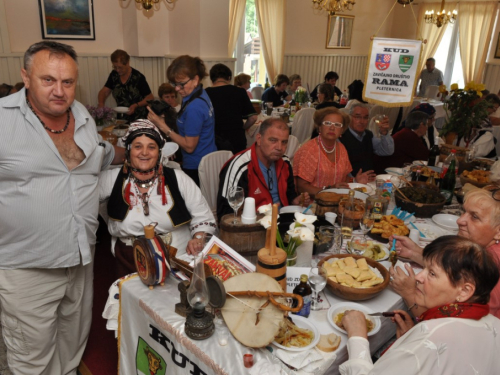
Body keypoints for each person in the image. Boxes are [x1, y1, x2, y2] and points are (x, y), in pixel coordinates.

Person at [0, 41, 124, 374]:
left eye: (67, 82)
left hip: (80, 262)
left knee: (72, 349)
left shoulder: (82, 116)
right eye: (48, 80)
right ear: (26, 77)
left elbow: (100, 155)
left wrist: (141, 149)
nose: (59, 91)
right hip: (27, 268)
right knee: (32, 362)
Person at [339, 236, 500, 375]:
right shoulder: (495, 324)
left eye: (432, 273)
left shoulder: (429, 337)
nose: (418, 277)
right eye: (424, 268)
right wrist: (410, 340)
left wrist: (357, 337)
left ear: (464, 291)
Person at [99, 120, 217, 276]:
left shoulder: (179, 178)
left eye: (151, 147)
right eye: (138, 146)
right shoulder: (111, 179)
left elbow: (203, 218)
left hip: (177, 256)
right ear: (128, 151)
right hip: (130, 257)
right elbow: (82, 204)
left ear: (159, 152)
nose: (145, 153)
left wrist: (198, 238)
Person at [390, 187, 500, 319]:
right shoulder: (486, 252)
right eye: (463, 212)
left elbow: (451, 322)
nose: (459, 221)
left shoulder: (492, 265)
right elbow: (456, 267)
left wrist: (408, 293)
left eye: (474, 217)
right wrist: (415, 252)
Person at [217, 118, 310, 219]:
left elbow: (290, 195)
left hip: (283, 222)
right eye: (273, 140)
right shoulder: (240, 167)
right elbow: (226, 214)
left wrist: (295, 200)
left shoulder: (285, 162)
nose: (279, 147)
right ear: (259, 139)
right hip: (253, 227)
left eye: (284, 142)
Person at [147, 55, 217, 186]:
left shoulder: (194, 106)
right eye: (175, 84)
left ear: (195, 79)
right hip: (207, 158)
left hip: (196, 166)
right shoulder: (199, 92)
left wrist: (162, 126)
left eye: (181, 84)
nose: (177, 89)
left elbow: (189, 147)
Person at [294, 108, 374, 198]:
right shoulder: (309, 150)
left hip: (337, 201)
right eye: (327, 123)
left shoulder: (342, 148)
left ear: (342, 130)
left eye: (337, 125)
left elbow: (343, 178)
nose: (332, 128)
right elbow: (301, 187)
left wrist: (355, 181)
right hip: (313, 204)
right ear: (319, 127)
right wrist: (329, 190)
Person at [206, 63, 257, 154]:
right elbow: (253, 118)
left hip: (213, 140)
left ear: (211, 79)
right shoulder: (240, 91)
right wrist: (243, 127)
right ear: (229, 78)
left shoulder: (205, 94)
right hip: (236, 139)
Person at [97, 49, 154, 121]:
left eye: (120, 67)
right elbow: (104, 92)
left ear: (127, 63)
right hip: (121, 118)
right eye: (115, 67)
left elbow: (150, 97)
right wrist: (101, 104)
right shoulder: (114, 75)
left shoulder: (138, 77)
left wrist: (136, 105)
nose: (117, 70)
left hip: (139, 118)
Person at [340, 102, 394, 176]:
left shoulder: (368, 135)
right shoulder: (341, 136)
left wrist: (384, 133)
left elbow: (387, 151)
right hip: (351, 183)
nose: (362, 121)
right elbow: (340, 169)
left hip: (370, 180)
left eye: (365, 118)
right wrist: (354, 180)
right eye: (357, 117)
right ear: (350, 117)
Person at [458, 93, 500, 158]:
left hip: (476, 144)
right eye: (494, 108)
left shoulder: (484, 117)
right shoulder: (474, 116)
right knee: (488, 136)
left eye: (496, 109)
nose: (494, 111)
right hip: (473, 145)